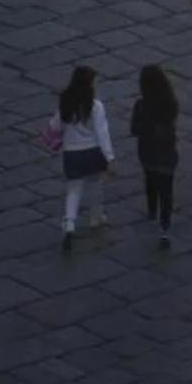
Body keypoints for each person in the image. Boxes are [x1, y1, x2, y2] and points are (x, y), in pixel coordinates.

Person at [49, 65, 114, 250]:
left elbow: (56, 126)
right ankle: (96, 216)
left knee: (73, 190)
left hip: (71, 152)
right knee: (95, 184)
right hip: (91, 151)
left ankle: (69, 223)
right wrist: (109, 157)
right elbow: (102, 133)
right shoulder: (95, 106)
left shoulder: (66, 102)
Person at [130, 65, 180, 250]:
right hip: (167, 153)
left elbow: (134, 129)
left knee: (150, 181)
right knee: (167, 190)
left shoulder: (141, 106)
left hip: (148, 153)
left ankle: (152, 210)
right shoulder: (171, 104)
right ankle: (165, 228)